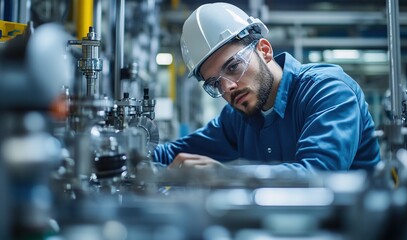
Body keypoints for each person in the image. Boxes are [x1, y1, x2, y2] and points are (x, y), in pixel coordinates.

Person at [152, 2, 380, 175]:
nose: (228, 87)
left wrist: (225, 175)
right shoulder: (237, 117)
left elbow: (318, 177)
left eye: (233, 67)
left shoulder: (327, 91)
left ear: (264, 49)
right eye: (215, 83)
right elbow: (169, 155)